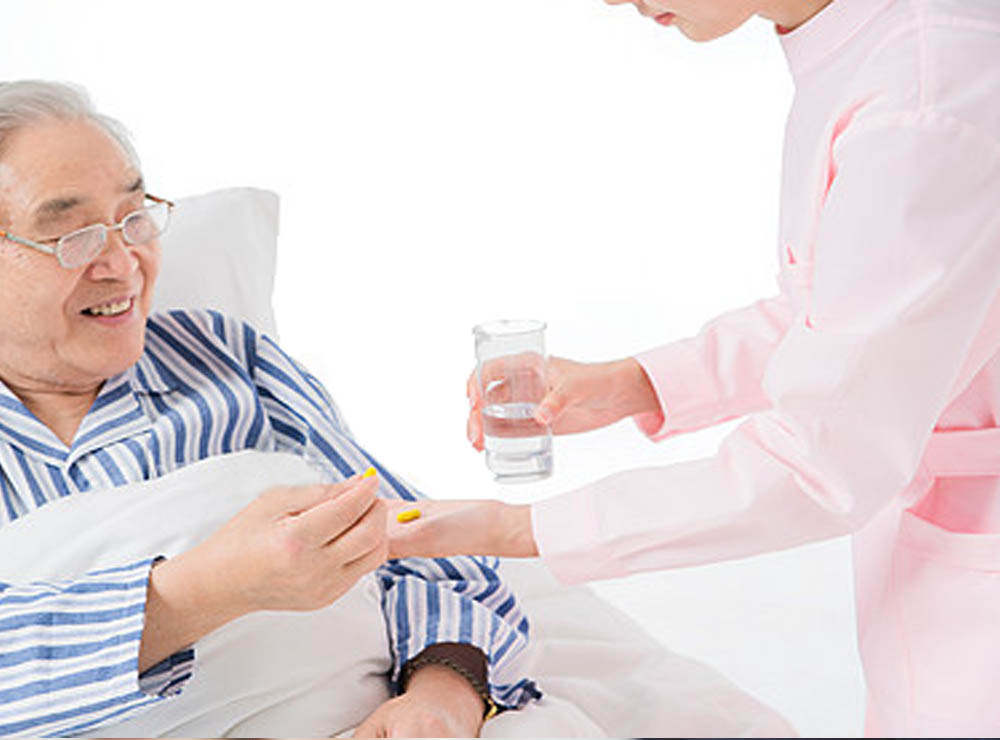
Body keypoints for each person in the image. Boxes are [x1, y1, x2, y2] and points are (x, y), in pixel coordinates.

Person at [0, 80, 538, 737]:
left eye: (133, 218)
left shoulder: (227, 357)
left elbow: (429, 550)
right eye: (69, 234)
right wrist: (201, 591)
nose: (122, 262)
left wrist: (445, 696)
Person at [387, 0, 1000, 736]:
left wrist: (517, 530)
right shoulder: (867, 47)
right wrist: (631, 384)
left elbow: (822, 458)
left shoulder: (922, 98)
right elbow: (841, 308)